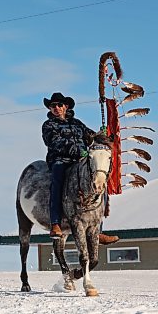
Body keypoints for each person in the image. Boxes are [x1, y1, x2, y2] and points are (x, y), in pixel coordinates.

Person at [42, 92, 119, 245]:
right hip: (60, 160)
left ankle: (99, 230)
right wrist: (78, 150)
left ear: (66, 106)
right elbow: (54, 143)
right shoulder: (48, 125)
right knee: (57, 181)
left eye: (59, 105)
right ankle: (55, 223)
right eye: (53, 106)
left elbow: (90, 136)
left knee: (99, 182)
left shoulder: (77, 123)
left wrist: (102, 134)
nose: (56, 108)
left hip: (80, 161)